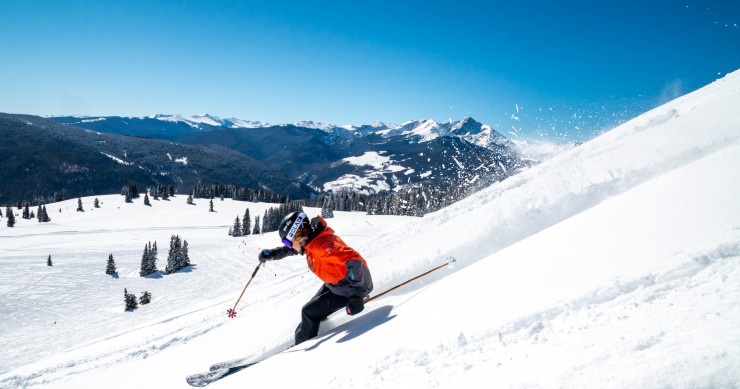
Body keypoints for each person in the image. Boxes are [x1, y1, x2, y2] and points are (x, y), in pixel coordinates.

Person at [258, 211, 373, 345]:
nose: (289, 246)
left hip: (349, 288)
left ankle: (304, 346)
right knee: (309, 312)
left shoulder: (321, 246)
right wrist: (272, 254)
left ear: (298, 235)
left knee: (308, 312)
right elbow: (292, 250)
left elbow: (354, 261)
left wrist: (356, 295)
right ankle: (305, 338)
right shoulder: (311, 240)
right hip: (336, 285)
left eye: (289, 242)